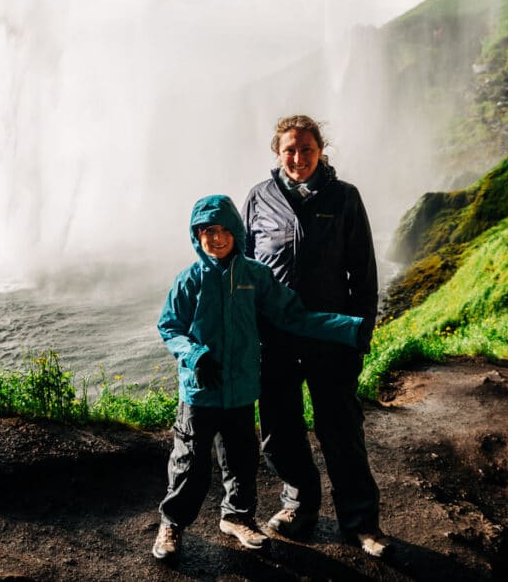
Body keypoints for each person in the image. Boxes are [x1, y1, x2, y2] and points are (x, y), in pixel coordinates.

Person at [152, 194, 364, 563]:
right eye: (208, 231)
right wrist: (194, 354)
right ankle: (171, 524)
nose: (216, 238)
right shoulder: (189, 280)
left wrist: (348, 328)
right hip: (200, 391)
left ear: (237, 232)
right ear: (197, 234)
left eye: (224, 231)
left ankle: (237, 517)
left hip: (241, 390)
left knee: (241, 459)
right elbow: (169, 327)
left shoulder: (256, 276)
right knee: (189, 463)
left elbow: (293, 316)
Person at [241, 115, 387, 558]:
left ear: (321, 150)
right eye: (290, 149)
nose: (299, 158)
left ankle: (361, 524)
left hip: (329, 336)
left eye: (307, 149)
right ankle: (298, 504)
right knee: (279, 432)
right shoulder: (258, 199)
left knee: (341, 430)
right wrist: (245, 336)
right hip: (275, 340)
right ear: (277, 151)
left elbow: (363, 274)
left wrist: (359, 336)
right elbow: (244, 273)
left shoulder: (344, 198)